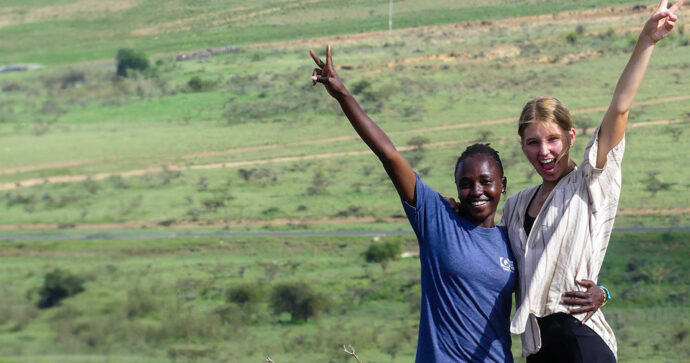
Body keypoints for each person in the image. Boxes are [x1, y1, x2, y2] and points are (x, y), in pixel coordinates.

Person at [310, 44, 600, 362]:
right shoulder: (437, 221)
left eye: (486, 182)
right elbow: (389, 155)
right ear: (456, 189)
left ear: (502, 186)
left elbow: (551, 280)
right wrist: (343, 95)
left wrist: (602, 293)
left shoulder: (513, 240)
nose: (476, 190)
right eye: (466, 184)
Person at [499, 1, 685, 362]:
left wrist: (645, 41)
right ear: (522, 146)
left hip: (582, 339)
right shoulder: (515, 205)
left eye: (552, 139)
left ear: (570, 137)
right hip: (537, 348)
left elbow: (619, 109)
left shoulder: (590, 179)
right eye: (533, 142)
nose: (544, 151)